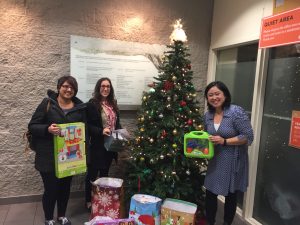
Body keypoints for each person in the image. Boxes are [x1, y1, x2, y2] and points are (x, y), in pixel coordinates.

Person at [28, 76, 87, 225]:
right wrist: (47, 129)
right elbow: (32, 126)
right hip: (48, 156)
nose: (68, 90)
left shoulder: (79, 108)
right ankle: (49, 218)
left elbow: (83, 131)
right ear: (59, 87)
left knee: (65, 188)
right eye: (65, 86)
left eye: (72, 88)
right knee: (51, 189)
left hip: (69, 156)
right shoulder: (47, 104)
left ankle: (61, 215)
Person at [203, 81, 254, 225]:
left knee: (231, 196)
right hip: (215, 161)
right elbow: (207, 136)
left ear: (225, 95)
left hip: (233, 161)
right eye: (210, 95)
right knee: (210, 194)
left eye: (217, 93)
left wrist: (224, 141)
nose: (214, 97)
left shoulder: (235, 112)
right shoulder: (208, 115)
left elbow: (248, 136)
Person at [85, 77, 122, 210]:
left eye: (108, 86)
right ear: (98, 88)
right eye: (103, 86)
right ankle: (88, 201)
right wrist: (101, 131)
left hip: (110, 146)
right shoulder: (92, 104)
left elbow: (117, 123)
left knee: (105, 173)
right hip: (97, 146)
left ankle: (101, 200)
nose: (105, 88)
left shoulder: (113, 104)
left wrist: (121, 132)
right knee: (92, 175)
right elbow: (87, 126)